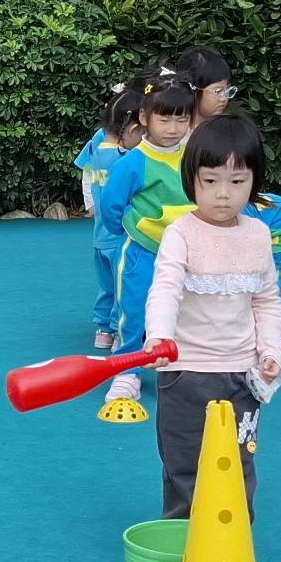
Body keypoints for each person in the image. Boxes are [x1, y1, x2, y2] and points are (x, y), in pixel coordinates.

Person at [143, 114, 281, 521]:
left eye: (237, 181)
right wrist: (159, 336)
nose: (224, 194)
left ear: (254, 181)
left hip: (242, 375)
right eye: (210, 180)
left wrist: (271, 352)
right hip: (184, 372)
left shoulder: (258, 235)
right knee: (184, 463)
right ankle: (182, 541)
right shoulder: (181, 234)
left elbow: (266, 301)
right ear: (192, 179)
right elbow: (165, 289)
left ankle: (232, 541)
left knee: (238, 463)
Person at [96, 69, 197, 407]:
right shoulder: (133, 162)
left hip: (187, 254)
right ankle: (127, 371)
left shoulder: (194, 156)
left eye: (181, 120)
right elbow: (110, 206)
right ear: (144, 118)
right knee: (134, 311)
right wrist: (131, 230)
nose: (173, 128)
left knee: (186, 311)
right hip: (141, 251)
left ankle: (182, 367)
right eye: (164, 119)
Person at [83, 86, 143, 350]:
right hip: (120, 236)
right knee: (124, 286)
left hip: (100, 237)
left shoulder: (96, 151)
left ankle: (103, 330)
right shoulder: (126, 158)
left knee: (107, 285)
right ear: (132, 130)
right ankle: (121, 334)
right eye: (142, 134)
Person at [176, 46, 237, 132]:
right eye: (218, 91)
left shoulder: (226, 129)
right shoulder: (176, 133)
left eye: (228, 90)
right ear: (192, 90)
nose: (224, 98)